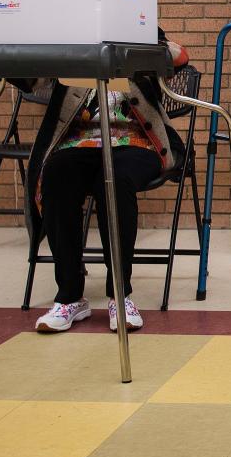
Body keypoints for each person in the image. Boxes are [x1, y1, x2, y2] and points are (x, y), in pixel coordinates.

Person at [22, 33, 189, 333]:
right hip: (78, 140)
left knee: (114, 180)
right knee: (56, 174)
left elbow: (178, 59)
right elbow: (30, 78)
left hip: (138, 140)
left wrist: (148, 39)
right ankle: (70, 297)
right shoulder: (70, 33)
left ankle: (119, 295)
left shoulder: (136, 28)